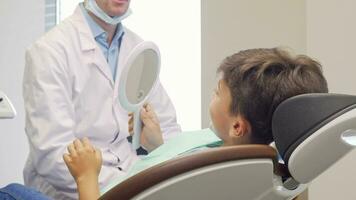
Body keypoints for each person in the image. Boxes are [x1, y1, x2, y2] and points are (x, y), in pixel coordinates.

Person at [63, 47, 329, 199]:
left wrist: (86, 176)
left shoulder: (207, 173)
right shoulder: (276, 174)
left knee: (18, 191)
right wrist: (158, 147)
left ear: (238, 127)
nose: (212, 96)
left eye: (217, 92)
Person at [22, 0, 181, 199]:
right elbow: (53, 154)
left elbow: (168, 129)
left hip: (134, 183)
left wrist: (157, 154)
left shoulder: (138, 49)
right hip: (69, 191)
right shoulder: (49, 52)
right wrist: (129, 185)